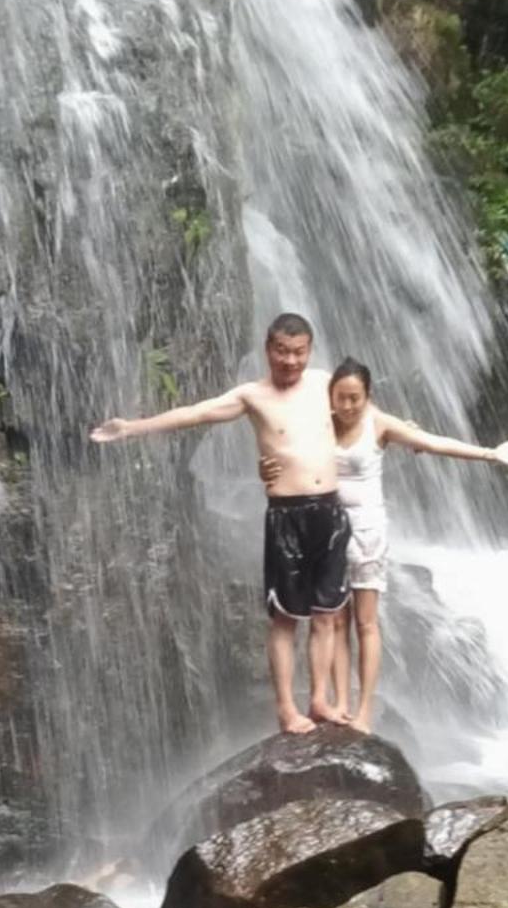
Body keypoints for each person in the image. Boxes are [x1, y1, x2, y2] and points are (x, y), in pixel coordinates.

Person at [90, 313, 350, 736]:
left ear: (310, 351)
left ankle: (319, 698)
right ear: (268, 349)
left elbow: (363, 415)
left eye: (298, 352)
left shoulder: (324, 384)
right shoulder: (253, 395)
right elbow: (196, 414)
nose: (290, 361)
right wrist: (132, 428)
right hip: (287, 516)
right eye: (282, 351)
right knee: (285, 619)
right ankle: (287, 709)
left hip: (331, 511)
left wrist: (400, 435)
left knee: (326, 616)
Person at [265, 357, 508, 732]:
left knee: (366, 622)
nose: (347, 406)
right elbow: (280, 442)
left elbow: (431, 442)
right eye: (341, 398)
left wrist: (490, 453)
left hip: (366, 530)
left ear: (368, 396)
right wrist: (267, 469)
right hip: (326, 528)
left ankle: (364, 711)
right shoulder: (320, 423)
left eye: (354, 399)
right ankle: (338, 702)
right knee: (334, 620)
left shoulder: (379, 424)